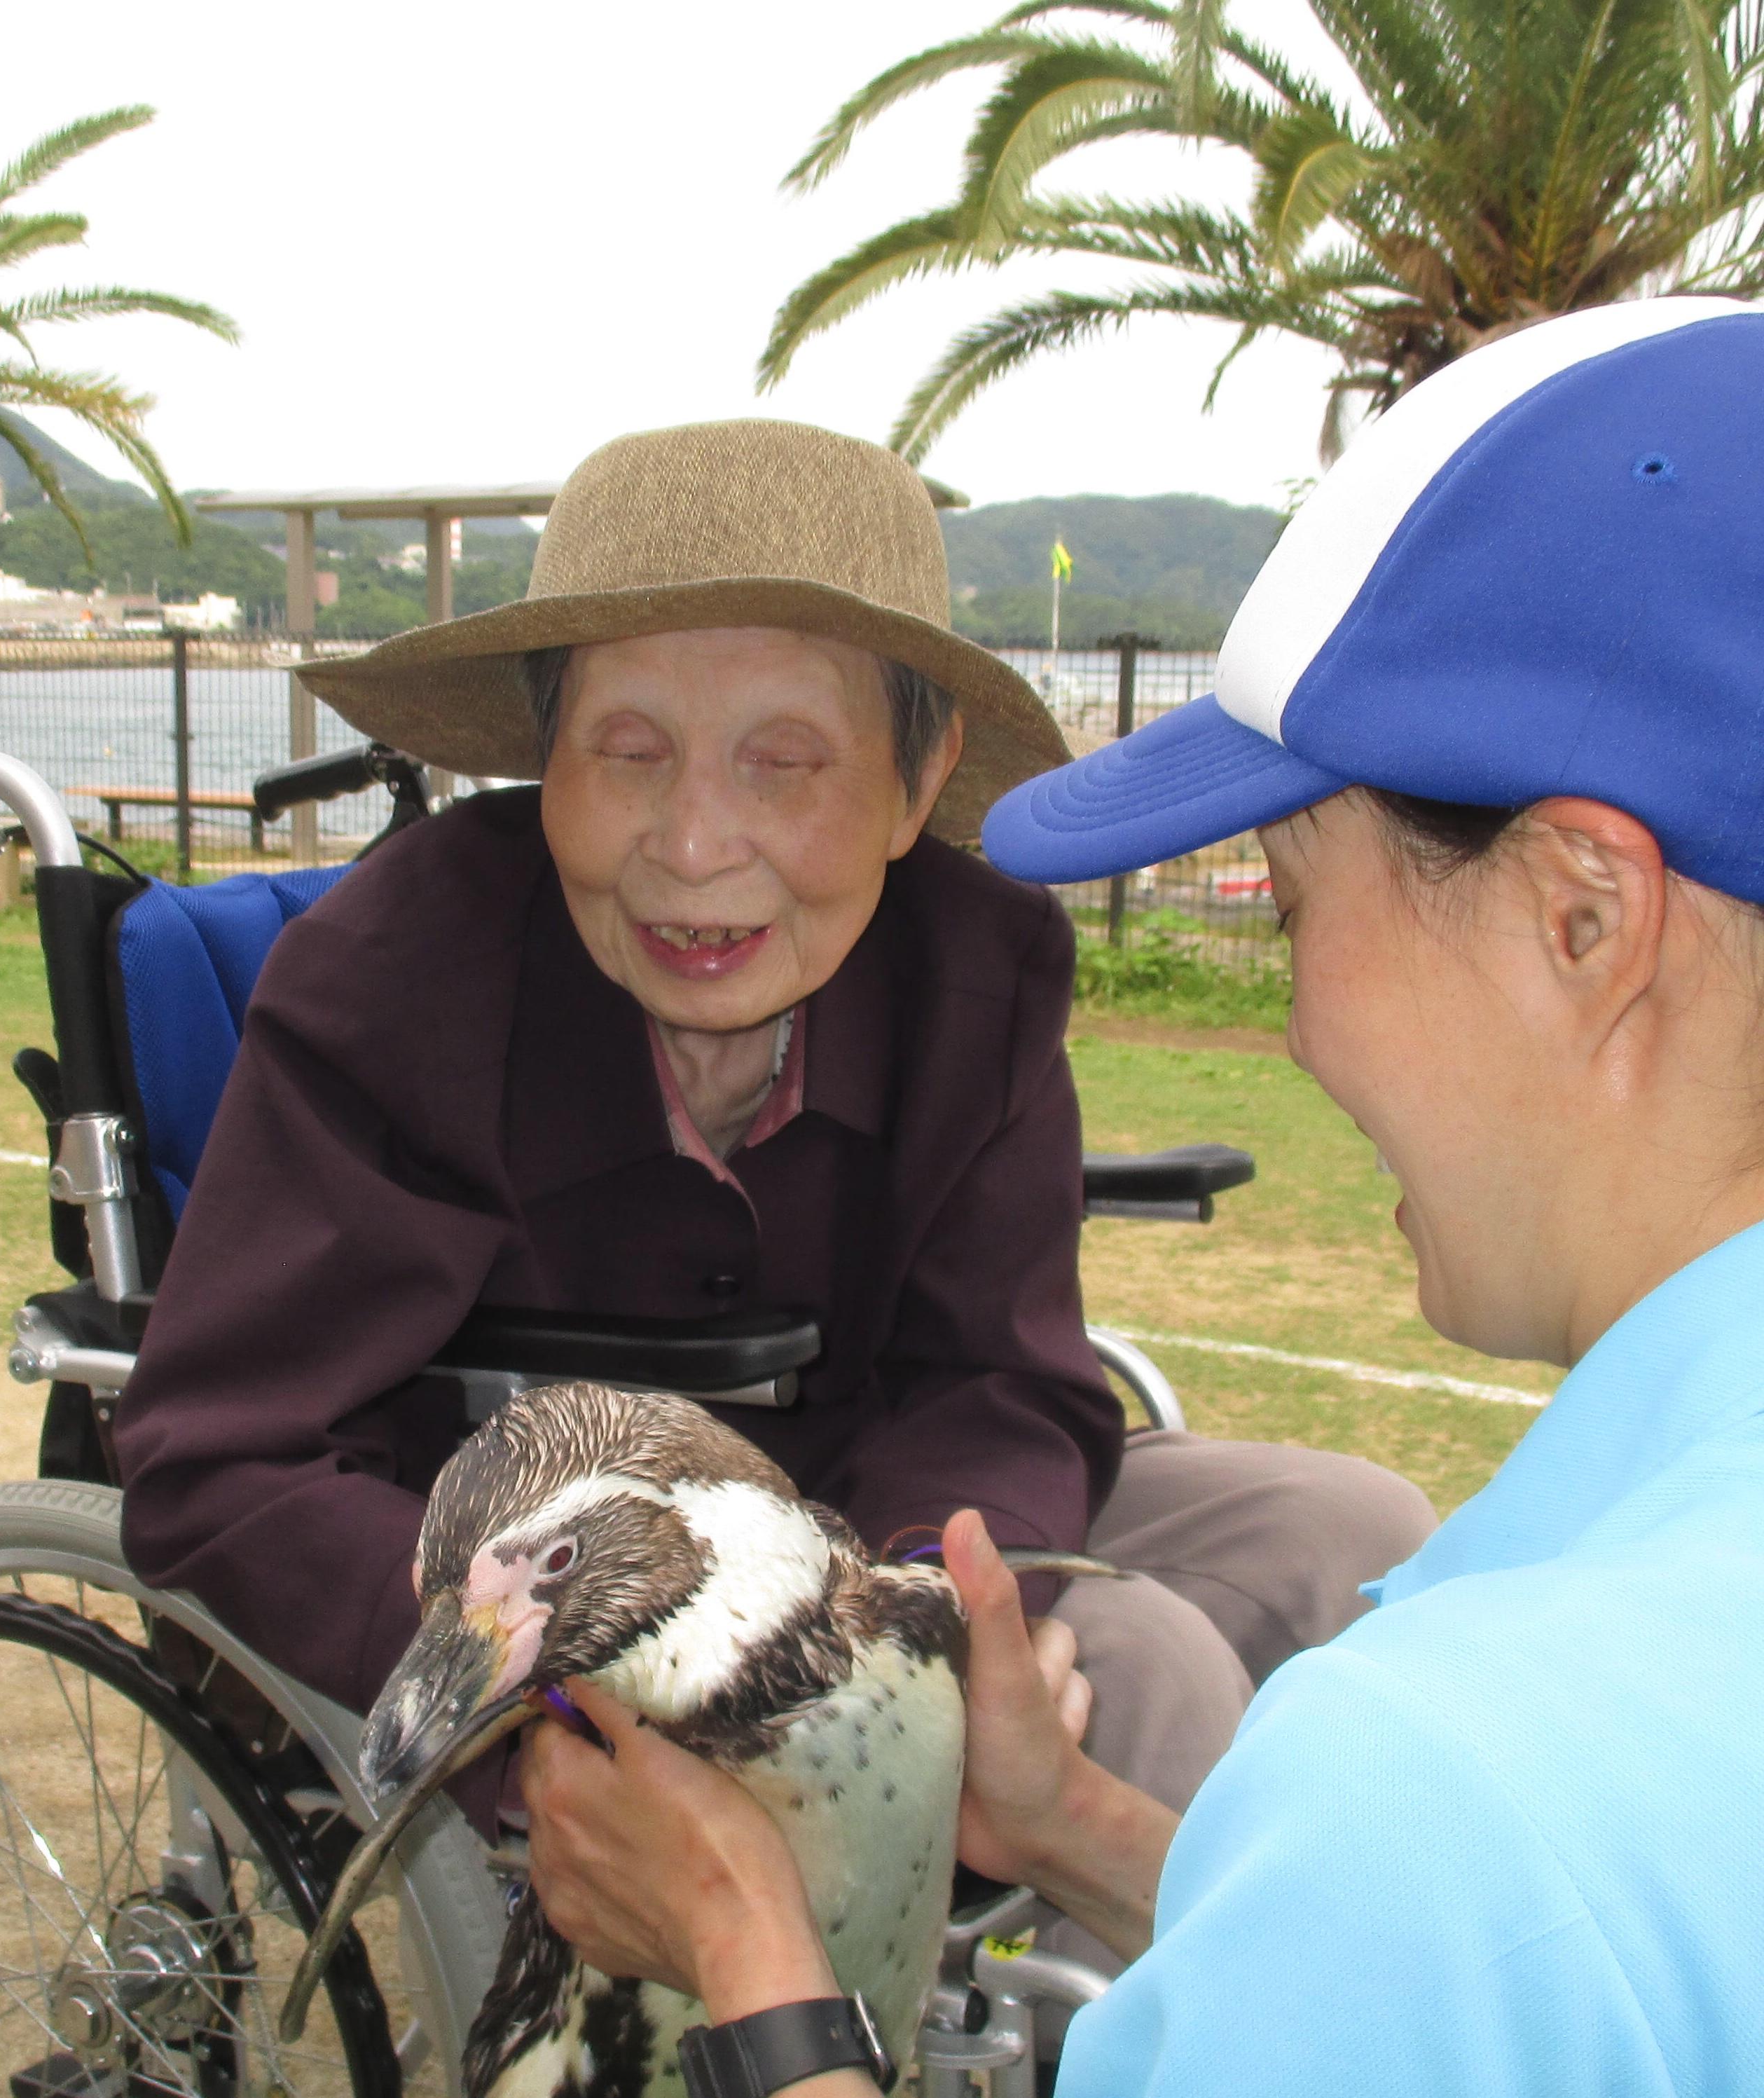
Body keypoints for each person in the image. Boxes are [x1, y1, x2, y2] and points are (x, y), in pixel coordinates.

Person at [511, 298, 1764, 2098]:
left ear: (1583, 918)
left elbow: (1452, 1908)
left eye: (1288, 883)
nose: (1296, 1015)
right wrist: (1087, 1824)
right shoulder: (1514, 1800)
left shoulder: (1450, 1793)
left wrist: (746, 1953)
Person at [116, 420, 1429, 1882]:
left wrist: (917, 1604)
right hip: (555, 1589)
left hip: (868, 1510)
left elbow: (998, 1377)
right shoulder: (398, 978)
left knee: (1362, 1537)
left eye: (783, 761)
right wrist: (536, 1684)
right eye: (627, 752)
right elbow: (218, 1456)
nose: (691, 844)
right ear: (544, 764)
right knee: (1141, 1665)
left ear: (915, 789)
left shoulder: (975, 975)